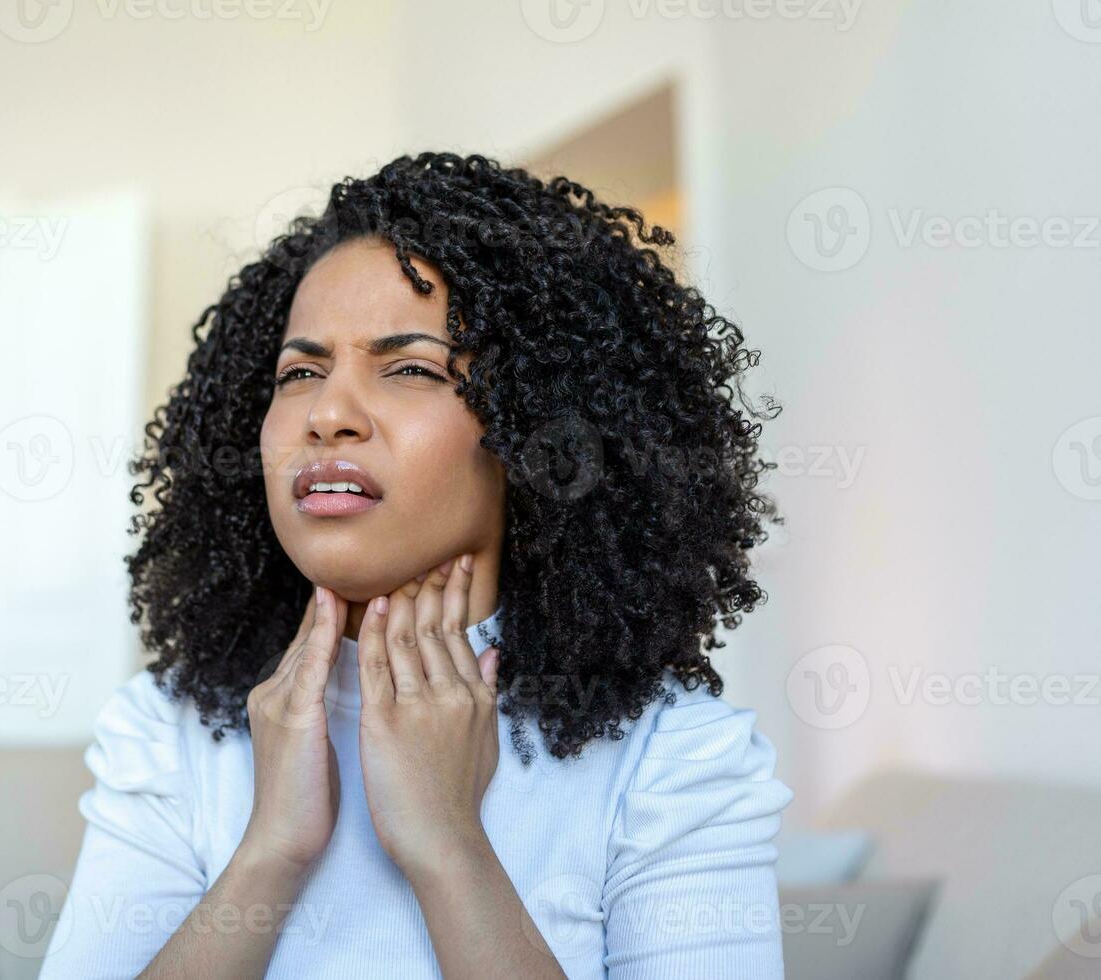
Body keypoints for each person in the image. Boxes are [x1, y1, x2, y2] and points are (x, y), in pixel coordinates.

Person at [39, 152, 793, 979]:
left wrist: (449, 845)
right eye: (301, 372)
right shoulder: (169, 733)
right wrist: (270, 853)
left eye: (409, 368)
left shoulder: (675, 759)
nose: (328, 414)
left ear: (535, 432)